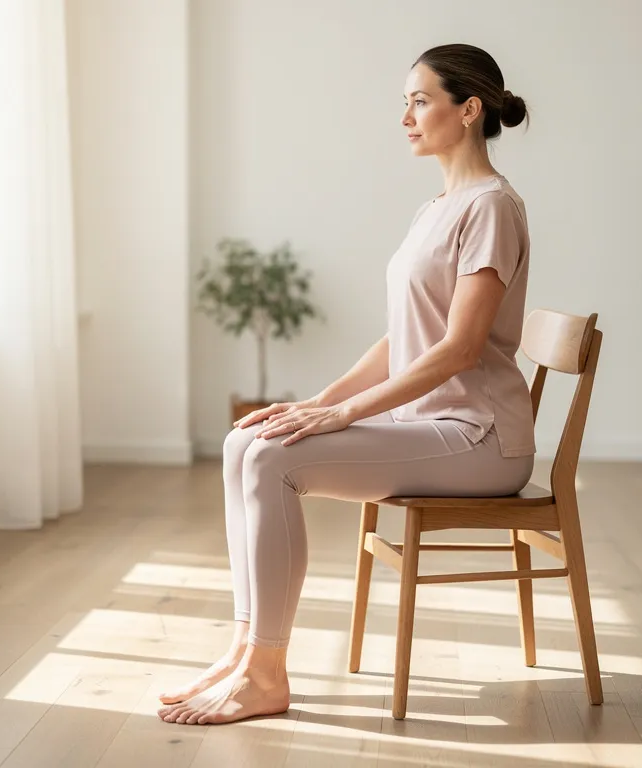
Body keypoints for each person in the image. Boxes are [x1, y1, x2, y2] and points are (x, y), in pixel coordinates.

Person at [157, 42, 536, 726]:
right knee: (246, 441)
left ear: (470, 108)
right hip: (431, 428)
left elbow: (459, 348)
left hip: (480, 437)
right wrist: (316, 404)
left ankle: (267, 673)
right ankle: (246, 648)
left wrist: (345, 416)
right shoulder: (436, 209)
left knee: (274, 460)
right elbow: (404, 340)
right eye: (406, 102)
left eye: (420, 100)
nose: (406, 117)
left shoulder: (492, 208)